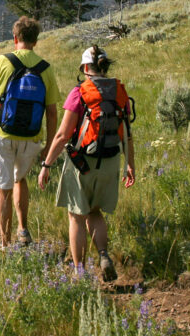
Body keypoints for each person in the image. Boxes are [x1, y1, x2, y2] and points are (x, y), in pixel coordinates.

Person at [38, 45, 135, 281]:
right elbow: (127, 133)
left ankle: (80, 272)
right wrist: (130, 164)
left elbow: (63, 135)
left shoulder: (80, 93)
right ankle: (103, 255)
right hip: (111, 161)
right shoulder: (119, 91)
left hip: (82, 163)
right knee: (95, 212)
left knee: (76, 216)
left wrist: (46, 165)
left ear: (84, 67)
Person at [0, 16, 60, 248]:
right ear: (35, 41)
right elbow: (52, 113)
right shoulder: (45, 69)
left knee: (3, 190)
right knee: (21, 180)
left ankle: (5, 244)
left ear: (15, 38)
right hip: (32, 137)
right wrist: (49, 146)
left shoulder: (2, 62)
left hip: (3, 135)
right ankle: (23, 229)